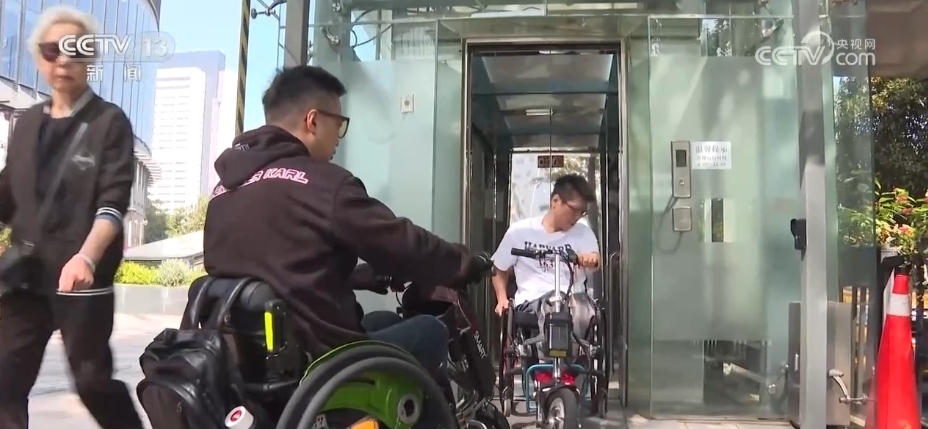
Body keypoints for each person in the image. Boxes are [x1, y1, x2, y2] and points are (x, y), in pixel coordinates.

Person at [202, 65, 483, 414]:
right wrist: (463, 263)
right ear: (313, 120)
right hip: (320, 360)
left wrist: (359, 276)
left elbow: (277, 268)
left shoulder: (223, 191)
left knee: (384, 323)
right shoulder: (322, 184)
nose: (339, 137)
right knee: (430, 331)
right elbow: (403, 245)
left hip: (258, 362)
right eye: (339, 124)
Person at [0, 6, 144, 429]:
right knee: (4, 380)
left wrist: (87, 257)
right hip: (25, 276)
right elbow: (8, 194)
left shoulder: (109, 122)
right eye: (53, 50)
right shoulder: (27, 123)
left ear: (90, 58)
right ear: (38, 58)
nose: (63, 59)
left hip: (82, 279)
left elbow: (112, 203)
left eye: (76, 50)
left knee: (91, 382)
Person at [491, 174, 601, 340]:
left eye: (582, 212)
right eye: (574, 210)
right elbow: (498, 267)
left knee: (578, 308)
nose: (577, 216)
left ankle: (571, 349)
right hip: (532, 302)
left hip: (574, 302)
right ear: (555, 201)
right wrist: (501, 298)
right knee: (554, 305)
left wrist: (590, 259)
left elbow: (595, 258)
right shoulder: (520, 231)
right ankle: (549, 348)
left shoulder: (583, 233)